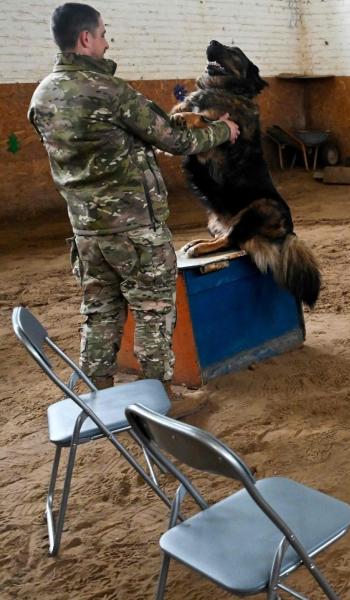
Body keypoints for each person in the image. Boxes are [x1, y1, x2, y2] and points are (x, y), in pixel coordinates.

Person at [28, 3, 239, 407]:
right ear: (85, 39)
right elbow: (171, 140)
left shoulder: (43, 96)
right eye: (104, 34)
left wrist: (196, 122)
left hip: (86, 231)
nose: (107, 43)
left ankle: (93, 397)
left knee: (100, 310)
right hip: (135, 228)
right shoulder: (109, 91)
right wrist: (221, 131)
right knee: (153, 312)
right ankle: (157, 402)